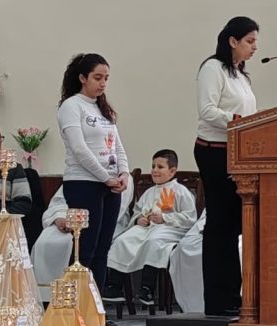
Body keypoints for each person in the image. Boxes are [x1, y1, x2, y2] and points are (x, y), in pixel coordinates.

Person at [194, 16, 258, 317]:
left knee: (233, 225)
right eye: (249, 41)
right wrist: (238, 122)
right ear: (233, 41)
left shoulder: (241, 75)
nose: (254, 47)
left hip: (238, 152)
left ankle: (234, 294)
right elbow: (207, 111)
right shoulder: (213, 68)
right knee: (220, 223)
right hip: (214, 152)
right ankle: (218, 298)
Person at [57, 53, 130, 301]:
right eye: (97, 78)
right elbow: (79, 149)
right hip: (83, 183)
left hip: (109, 184)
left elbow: (116, 145)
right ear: (82, 78)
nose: (103, 83)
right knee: (85, 248)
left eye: (106, 78)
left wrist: (123, 172)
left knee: (102, 249)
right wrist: (105, 177)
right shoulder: (71, 106)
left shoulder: (102, 108)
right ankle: (76, 307)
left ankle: (96, 308)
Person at [109, 150, 197, 306]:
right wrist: (139, 219)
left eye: (160, 167)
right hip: (147, 228)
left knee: (154, 241)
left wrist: (165, 218)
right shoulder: (149, 192)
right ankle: (114, 287)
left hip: (170, 229)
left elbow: (190, 218)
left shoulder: (181, 191)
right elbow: (137, 211)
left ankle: (147, 287)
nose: (155, 170)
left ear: (172, 171)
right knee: (122, 240)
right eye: (153, 166)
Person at [31, 185, 133, 304]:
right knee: (44, 243)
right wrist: (58, 218)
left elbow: (115, 210)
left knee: (77, 245)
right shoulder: (75, 176)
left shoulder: (119, 177)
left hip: (95, 225)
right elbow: (58, 202)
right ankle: (46, 300)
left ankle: (80, 299)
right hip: (66, 219)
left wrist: (83, 223)